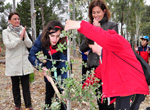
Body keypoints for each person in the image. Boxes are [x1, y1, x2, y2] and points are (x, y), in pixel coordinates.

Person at [64, 20, 149, 110]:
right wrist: (82, 89)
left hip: (132, 88)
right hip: (124, 91)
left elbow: (102, 36)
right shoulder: (107, 56)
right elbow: (97, 74)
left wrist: (80, 25)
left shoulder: (116, 41)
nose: (93, 51)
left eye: (91, 48)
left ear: (97, 42)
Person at [80, 0, 118, 109]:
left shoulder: (112, 25)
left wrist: (96, 30)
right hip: (94, 69)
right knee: (100, 101)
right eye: (93, 13)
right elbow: (83, 47)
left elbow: (111, 44)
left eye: (98, 12)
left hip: (107, 68)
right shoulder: (89, 26)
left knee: (109, 101)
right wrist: (91, 31)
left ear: (104, 11)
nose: (96, 15)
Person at [28, 20, 67, 110]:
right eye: (52, 36)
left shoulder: (64, 40)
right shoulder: (42, 38)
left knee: (62, 99)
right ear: (47, 34)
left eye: (57, 36)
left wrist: (64, 87)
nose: (54, 39)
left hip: (62, 69)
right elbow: (31, 55)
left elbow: (64, 63)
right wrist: (42, 67)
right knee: (48, 97)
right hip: (49, 69)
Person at [2, 12, 33, 110]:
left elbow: (29, 45)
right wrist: (19, 39)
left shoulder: (23, 30)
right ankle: (17, 105)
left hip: (24, 62)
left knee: (26, 86)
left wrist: (24, 37)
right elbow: (9, 45)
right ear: (9, 21)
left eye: (18, 19)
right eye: (15, 19)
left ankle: (28, 105)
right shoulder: (5, 32)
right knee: (15, 86)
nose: (17, 21)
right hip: (13, 63)